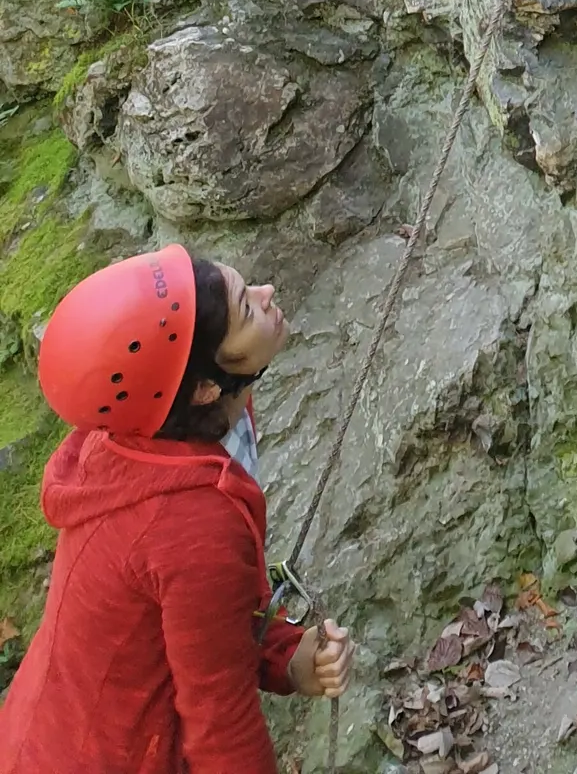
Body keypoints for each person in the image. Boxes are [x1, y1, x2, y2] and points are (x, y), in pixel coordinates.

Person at [0, 245, 351, 774]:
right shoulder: (188, 521)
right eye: (247, 307)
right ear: (205, 387)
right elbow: (221, 723)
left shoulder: (148, 435)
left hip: (46, 734)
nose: (267, 294)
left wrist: (285, 654)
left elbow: (187, 614)